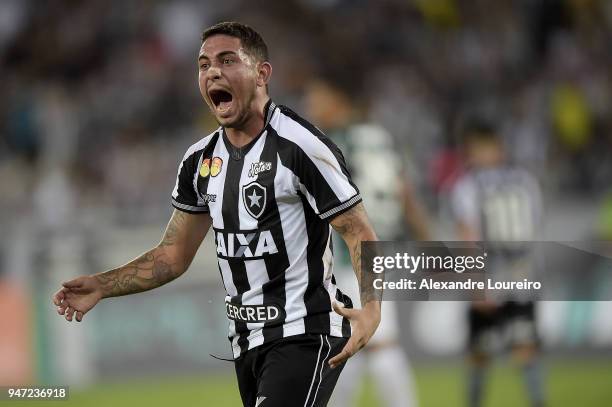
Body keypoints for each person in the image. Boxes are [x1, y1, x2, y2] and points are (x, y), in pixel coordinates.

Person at [52, 21, 381, 407]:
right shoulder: (199, 160)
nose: (213, 72)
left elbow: (358, 230)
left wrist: (372, 311)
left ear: (262, 74)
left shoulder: (301, 147)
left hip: (305, 333)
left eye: (227, 60)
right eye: (203, 64)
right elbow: (172, 256)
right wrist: (102, 285)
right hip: (246, 342)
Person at [305, 78, 427, 407]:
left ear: (338, 99)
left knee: (379, 345)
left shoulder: (332, 143)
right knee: (347, 346)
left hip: (352, 255)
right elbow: (405, 194)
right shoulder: (380, 138)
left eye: (318, 99)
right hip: (386, 249)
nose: (312, 108)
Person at [449, 119, 546, 407]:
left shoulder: (468, 186)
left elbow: (468, 237)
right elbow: (535, 227)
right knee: (525, 349)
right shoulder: (526, 181)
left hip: (490, 277)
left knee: (480, 355)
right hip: (522, 276)